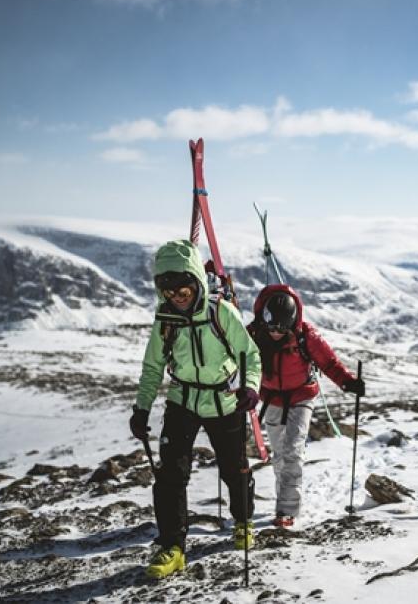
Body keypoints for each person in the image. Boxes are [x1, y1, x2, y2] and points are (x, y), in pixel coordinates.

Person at [129, 239, 262, 579]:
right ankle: (172, 546)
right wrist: (141, 408)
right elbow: (152, 368)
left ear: (196, 280)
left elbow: (250, 355)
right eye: (168, 287)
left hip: (224, 400)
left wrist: (250, 387)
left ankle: (244, 522)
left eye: (182, 284)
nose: (177, 293)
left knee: (235, 469)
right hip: (182, 401)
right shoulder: (165, 321)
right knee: (171, 475)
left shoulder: (221, 312)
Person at [248, 284, 365, 528]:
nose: (276, 333)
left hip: (301, 396)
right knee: (279, 454)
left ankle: (286, 511)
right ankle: (285, 497)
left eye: (282, 328)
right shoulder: (253, 333)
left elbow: (328, 362)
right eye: (272, 327)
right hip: (270, 397)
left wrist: (347, 382)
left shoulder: (305, 335)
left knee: (292, 450)